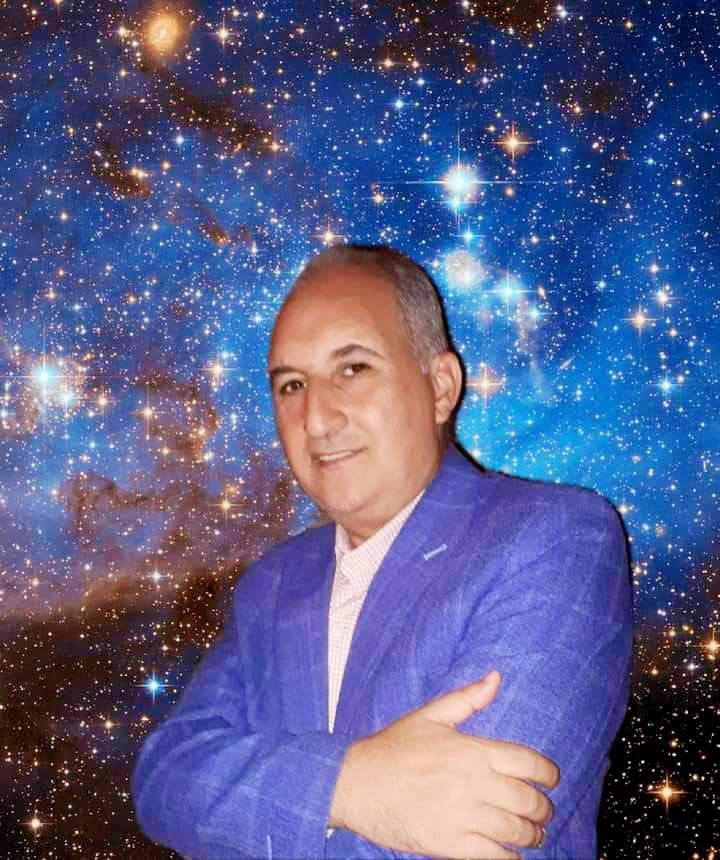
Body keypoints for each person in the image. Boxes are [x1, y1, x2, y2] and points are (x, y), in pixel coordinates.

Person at [132, 244, 633, 859]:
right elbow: (165, 777)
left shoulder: (554, 537)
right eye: (292, 385)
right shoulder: (271, 583)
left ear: (441, 387)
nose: (316, 419)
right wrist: (349, 785)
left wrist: (260, 801)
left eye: (353, 369)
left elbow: (484, 834)